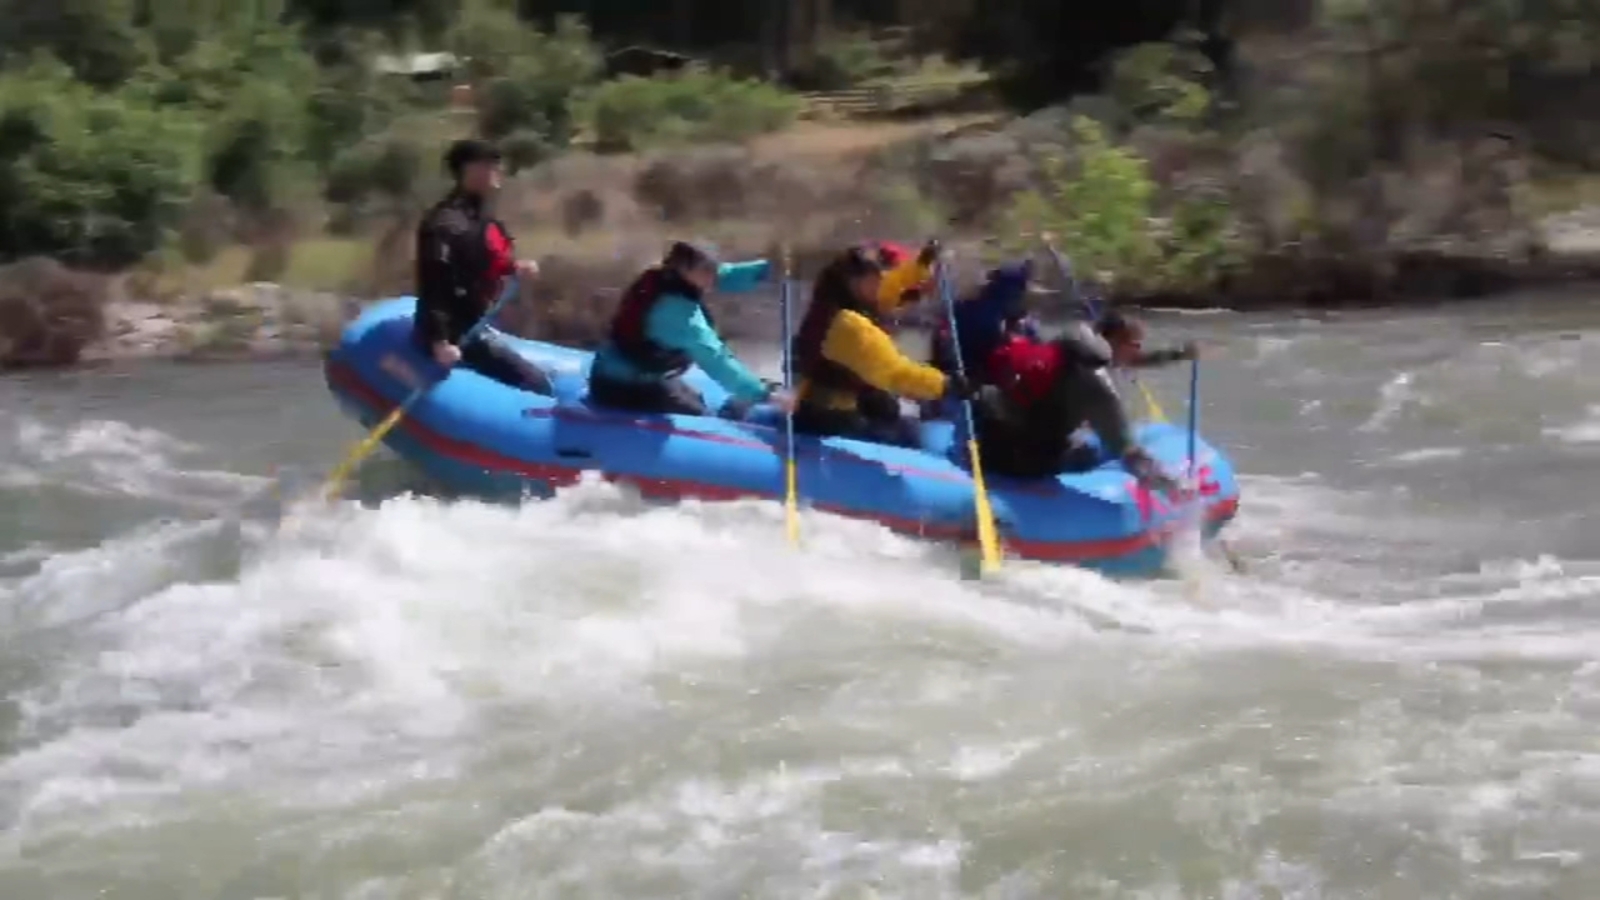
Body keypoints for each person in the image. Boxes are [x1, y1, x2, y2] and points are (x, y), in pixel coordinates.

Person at [790, 241, 979, 446]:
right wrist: (945, 385)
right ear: (855, 282)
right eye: (875, 278)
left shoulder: (835, 298)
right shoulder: (849, 327)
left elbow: (893, 285)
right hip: (831, 418)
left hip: (824, 403)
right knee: (904, 435)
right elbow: (894, 373)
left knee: (886, 408)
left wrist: (921, 265)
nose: (881, 283)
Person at [971, 321, 1188, 492]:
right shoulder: (1097, 391)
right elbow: (1128, 452)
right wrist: (1170, 483)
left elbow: (985, 396)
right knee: (1090, 451)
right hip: (1030, 465)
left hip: (989, 453)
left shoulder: (1035, 357)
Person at [589, 240, 793, 416]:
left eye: (713, 267)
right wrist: (765, 394)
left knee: (695, 397)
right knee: (697, 414)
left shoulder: (670, 276)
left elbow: (724, 275)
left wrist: (766, 270)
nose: (714, 275)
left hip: (634, 372)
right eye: (707, 269)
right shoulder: (676, 314)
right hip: (621, 385)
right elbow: (716, 359)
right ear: (685, 269)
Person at [414, 138, 551, 394]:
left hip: (475, 321)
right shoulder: (446, 223)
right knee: (537, 386)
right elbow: (434, 282)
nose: (498, 169)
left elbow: (482, 259)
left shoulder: (479, 217)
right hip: (457, 332)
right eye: (490, 164)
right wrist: (440, 341)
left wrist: (515, 267)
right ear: (470, 170)